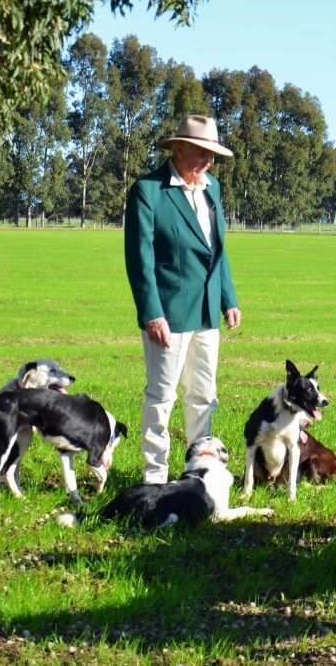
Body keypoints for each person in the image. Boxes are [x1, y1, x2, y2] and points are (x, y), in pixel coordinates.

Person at [124, 114, 240, 484]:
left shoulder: (213, 189)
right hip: (168, 315)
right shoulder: (148, 191)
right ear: (178, 148)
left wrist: (228, 297)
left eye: (211, 156)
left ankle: (199, 470)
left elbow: (216, 251)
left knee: (204, 395)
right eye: (200, 153)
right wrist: (152, 313)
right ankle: (155, 476)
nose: (207, 162)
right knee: (161, 397)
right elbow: (139, 259)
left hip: (206, 312)